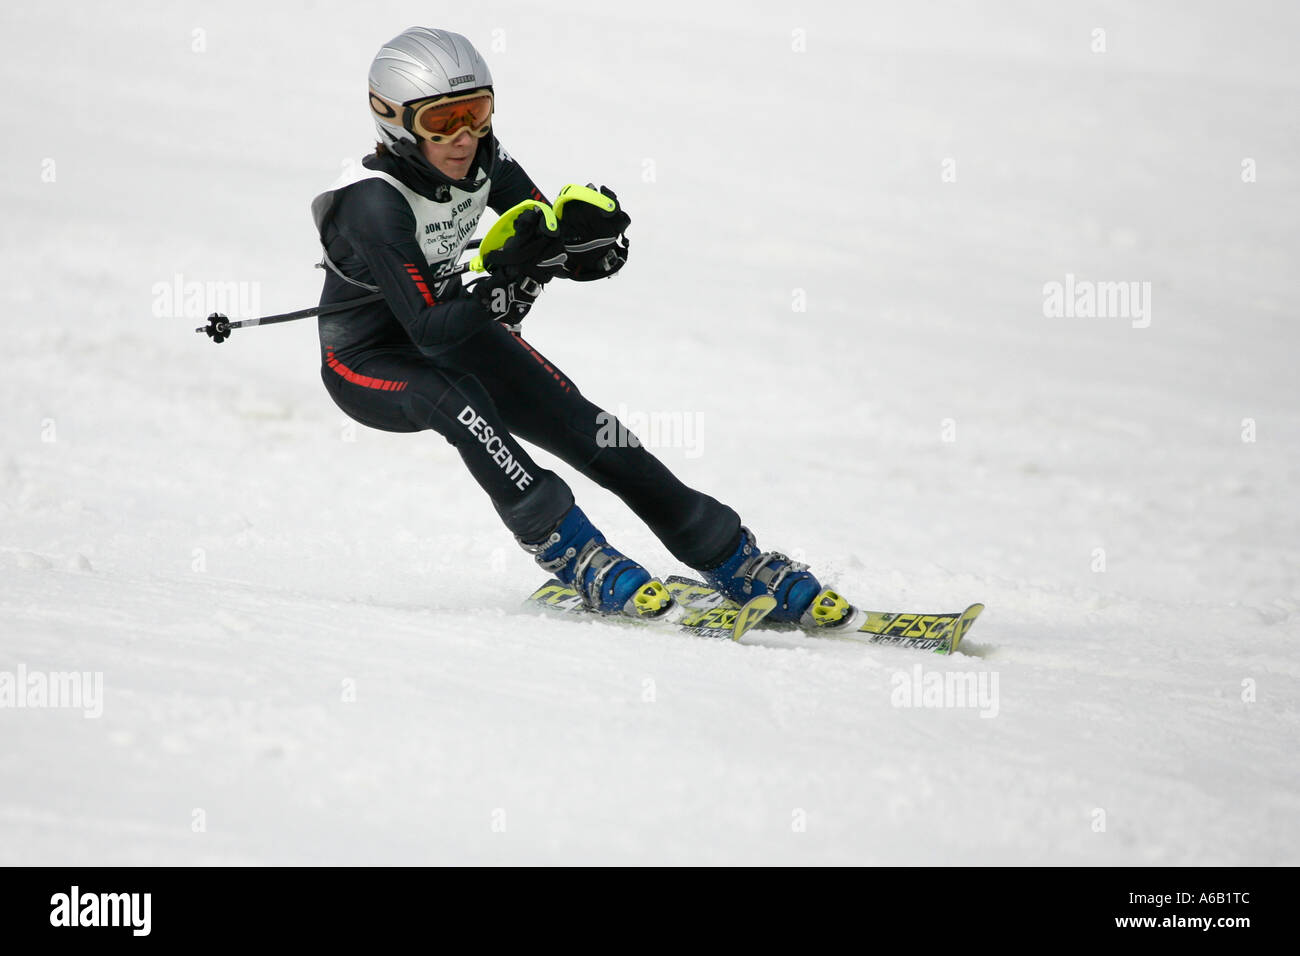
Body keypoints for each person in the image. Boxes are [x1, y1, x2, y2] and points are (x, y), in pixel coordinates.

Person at [310, 26, 849, 627]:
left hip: (456, 326)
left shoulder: (485, 159)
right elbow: (427, 330)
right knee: (457, 401)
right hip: (368, 360)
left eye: (476, 112)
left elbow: (541, 234)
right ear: (394, 121)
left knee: (592, 429)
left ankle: (729, 555)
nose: (464, 137)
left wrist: (585, 249)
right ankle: (571, 549)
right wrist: (503, 287)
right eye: (442, 121)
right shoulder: (372, 202)